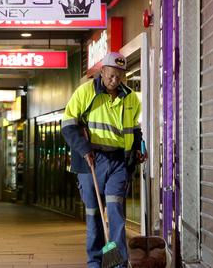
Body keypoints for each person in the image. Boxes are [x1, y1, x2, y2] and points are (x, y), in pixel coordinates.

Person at [61, 52, 146, 268]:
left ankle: (117, 263)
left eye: (119, 76)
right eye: (111, 75)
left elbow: (135, 130)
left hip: (118, 161)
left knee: (116, 213)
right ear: (102, 72)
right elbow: (68, 125)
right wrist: (83, 148)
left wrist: (138, 148)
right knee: (94, 215)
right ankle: (95, 262)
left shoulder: (131, 98)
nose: (115, 80)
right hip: (91, 160)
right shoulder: (85, 92)